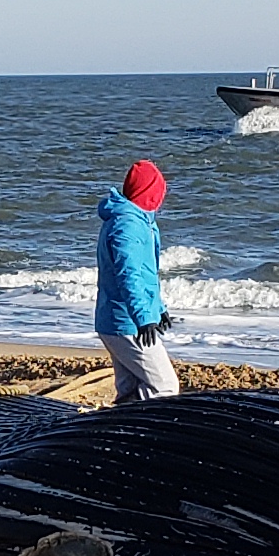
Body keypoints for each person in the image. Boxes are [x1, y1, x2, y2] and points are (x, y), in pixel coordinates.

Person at [94, 160, 179, 404]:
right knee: (164, 387)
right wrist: (143, 318)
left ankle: (119, 433)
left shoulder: (140, 221)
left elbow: (146, 274)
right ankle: (142, 435)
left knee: (130, 390)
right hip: (125, 322)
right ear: (150, 193)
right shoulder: (127, 225)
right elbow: (128, 276)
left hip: (120, 320)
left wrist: (158, 309)